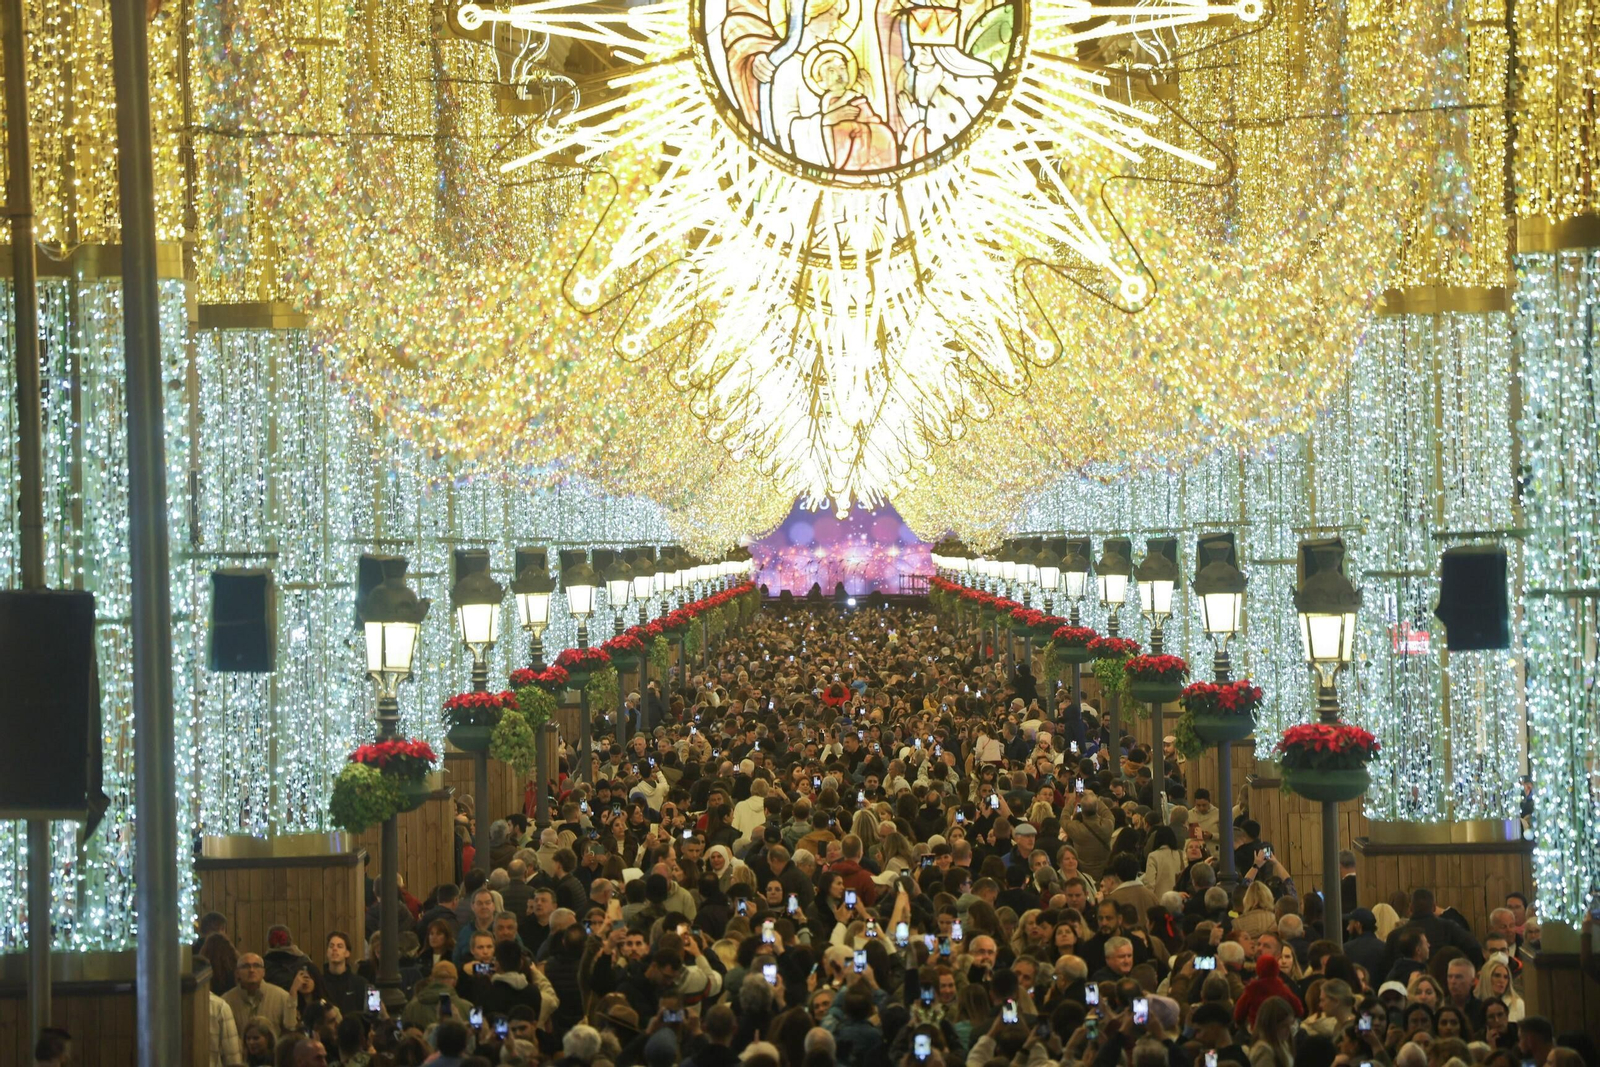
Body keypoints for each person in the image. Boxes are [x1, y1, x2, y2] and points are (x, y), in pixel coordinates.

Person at [222, 953, 298, 1039]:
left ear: (263, 972)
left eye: (256, 966)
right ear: (237, 973)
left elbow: (289, 1033)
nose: (251, 970)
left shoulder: (282, 997)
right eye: (246, 966)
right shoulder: (226, 1001)